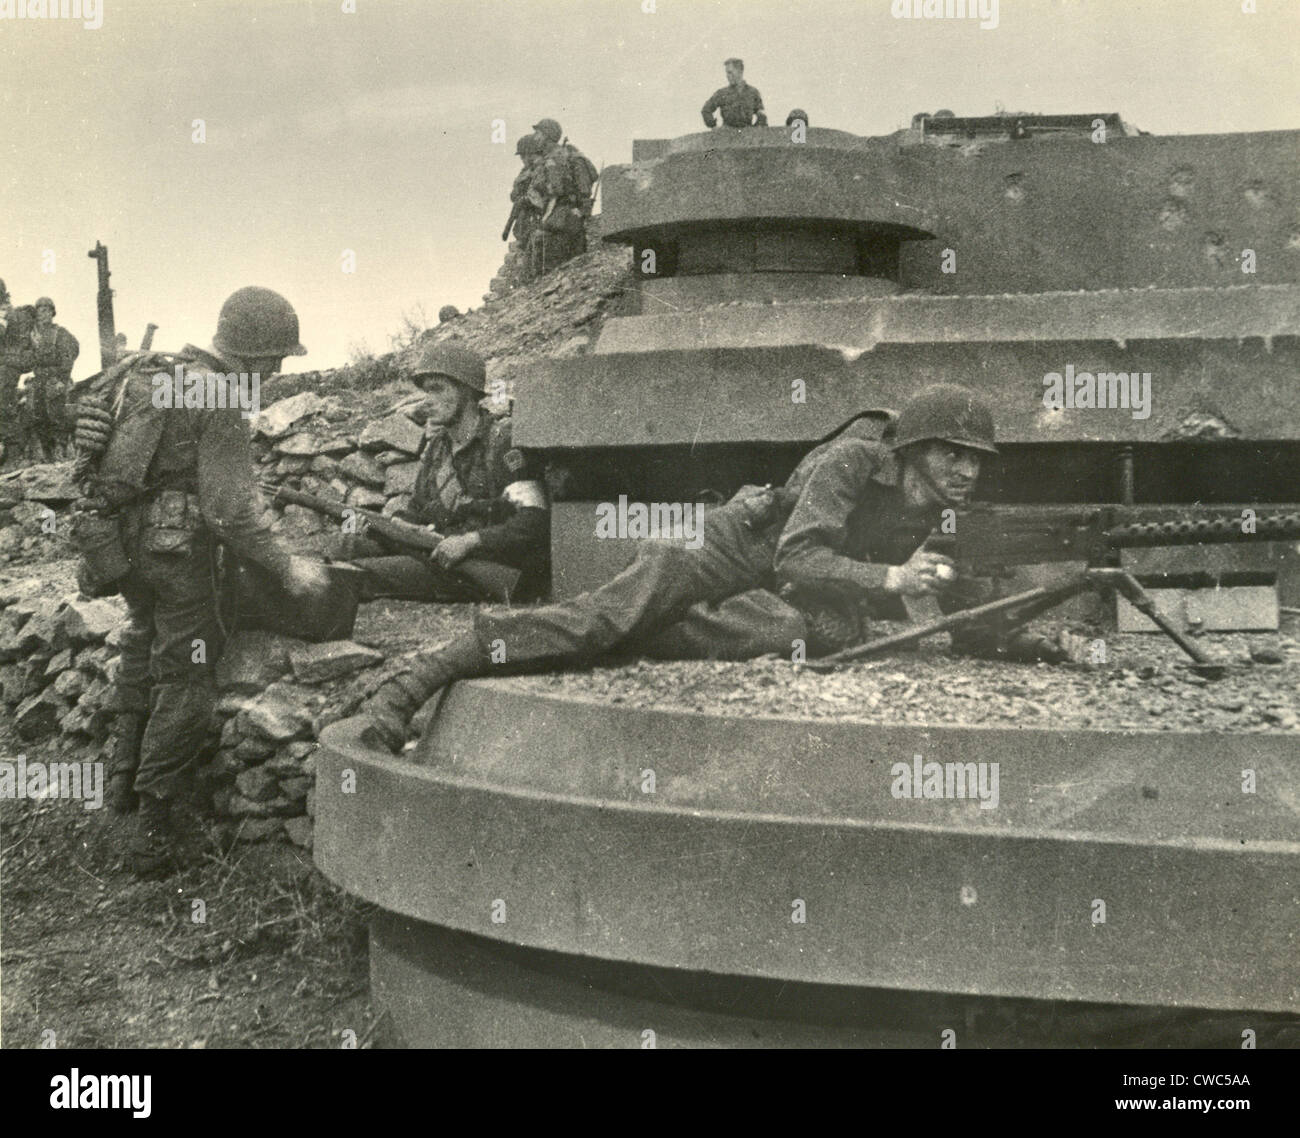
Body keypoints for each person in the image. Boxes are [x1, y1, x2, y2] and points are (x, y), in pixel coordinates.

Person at [355, 385, 1067, 750]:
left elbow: (952, 588)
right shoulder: (851, 462)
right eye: (952, 453)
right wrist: (889, 581)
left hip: (771, 586)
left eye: (975, 459)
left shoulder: (927, 503)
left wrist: (1017, 635)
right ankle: (429, 673)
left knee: (793, 629)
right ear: (912, 449)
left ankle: (645, 636)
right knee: (604, 622)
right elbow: (801, 553)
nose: (966, 471)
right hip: (713, 552)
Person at [72, 286, 330, 877]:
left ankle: (119, 787)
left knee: (142, 643)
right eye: (277, 362)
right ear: (259, 358)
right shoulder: (222, 396)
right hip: (176, 554)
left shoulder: (151, 372)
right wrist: (289, 566)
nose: (275, 373)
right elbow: (228, 511)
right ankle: (154, 833)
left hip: (120, 548)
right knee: (186, 673)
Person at [337, 340, 550, 602]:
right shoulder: (438, 447)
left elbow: (534, 520)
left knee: (360, 573)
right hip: (436, 549)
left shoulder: (502, 443)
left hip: (480, 563)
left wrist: (471, 541)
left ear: (468, 392)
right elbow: (417, 508)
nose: (428, 401)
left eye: (437, 389)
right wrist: (394, 524)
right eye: (426, 391)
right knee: (349, 544)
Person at [525, 118, 597, 278]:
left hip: (563, 219)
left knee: (558, 271)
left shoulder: (559, 157)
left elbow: (562, 189)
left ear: (547, 135)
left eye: (538, 133)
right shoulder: (553, 157)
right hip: (560, 217)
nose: (535, 137)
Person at [27, 297, 80, 460]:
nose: (42, 314)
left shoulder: (60, 333)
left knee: (56, 416)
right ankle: (48, 455)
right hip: (39, 381)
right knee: (39, 417)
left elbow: (67, 359)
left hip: (55, 380)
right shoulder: (33, 335)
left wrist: (61, 380)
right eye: (39, 311)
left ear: (52, 313)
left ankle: (61, 451)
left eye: (45, 310)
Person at [0, 285, 36, 470]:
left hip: (7, 366)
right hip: (7, 365)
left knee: (4, 407)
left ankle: (13, 456)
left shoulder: (7, 313)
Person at [701, 58, 768, 129]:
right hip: (727, 135)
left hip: (747, 135)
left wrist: (755, 129)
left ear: (740, 71)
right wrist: (714, 126)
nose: (727, 76)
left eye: (730, 72)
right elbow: (706, 110)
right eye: (726, 73)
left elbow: (761, 115)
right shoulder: (721, 93)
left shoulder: (753, 92)